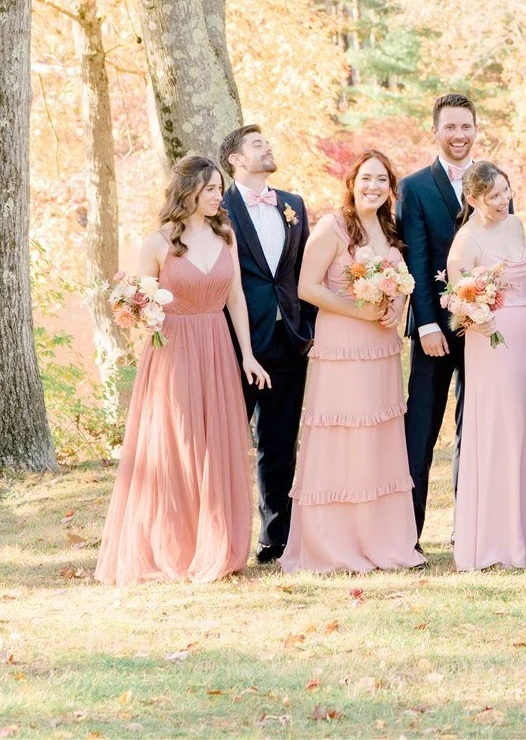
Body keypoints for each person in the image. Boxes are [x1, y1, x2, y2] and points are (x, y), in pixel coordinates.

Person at [97, 156, 270, 585]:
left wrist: (247, 354)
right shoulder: (157, 243)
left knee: (216, 445)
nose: (217, 196)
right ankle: (172, 546)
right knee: (180, 444)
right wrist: (139, 312)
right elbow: (139, 303)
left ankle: (215, 544)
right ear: (188, 191)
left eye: (219, 189)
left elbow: (236, 300)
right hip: (172, 352)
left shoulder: (225, 234)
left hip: (217, 347)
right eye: (210, 188)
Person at [282, 151, 424, 573]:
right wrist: (355, 309)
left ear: (390, 188)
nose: (373, 187)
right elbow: (306, 287)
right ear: (352, 182)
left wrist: (397, 306)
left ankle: (381, 539)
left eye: (382, 180)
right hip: (342, 343)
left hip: (381, 347)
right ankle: (336, 542)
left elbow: (402, 282)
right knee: (344, 433)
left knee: (377, 437)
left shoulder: (389, 230)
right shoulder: (332, 226)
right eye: (366, 178)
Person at [446, 162, 526, 572]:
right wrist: (475, 315)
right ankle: (493, 540)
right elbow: (456, 299)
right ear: (472, 199)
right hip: (490, 339)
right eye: (493, 196)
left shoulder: (515, 225)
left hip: (524, 333)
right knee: (498, 430)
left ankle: (524, 531)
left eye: (506, 191)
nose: (503, 200)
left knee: (525, 427)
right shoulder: (466, 240)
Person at [221, 123, 313, 563]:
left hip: (288, 341)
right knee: (224, 441)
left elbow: (305, 272)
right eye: (258, 145)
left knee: (279, 445)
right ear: (236, 159)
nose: (268, 148)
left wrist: (308, 331)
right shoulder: (217, 210)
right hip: (236, 345)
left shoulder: (293, 205)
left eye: (268, 143)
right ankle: (221, 535)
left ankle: (275, 539)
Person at [398, 92, 479, 543]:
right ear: (435, 131)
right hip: (435, 329)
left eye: (466, 126)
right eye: (450, 127)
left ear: (475, 129)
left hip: (482, 326)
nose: (459, 135)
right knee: (422, 428)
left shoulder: (491, 181)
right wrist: (427, 323)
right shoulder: (414, 186)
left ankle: (469, 530)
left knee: (476, 426)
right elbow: (417, 257)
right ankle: (408, 532)